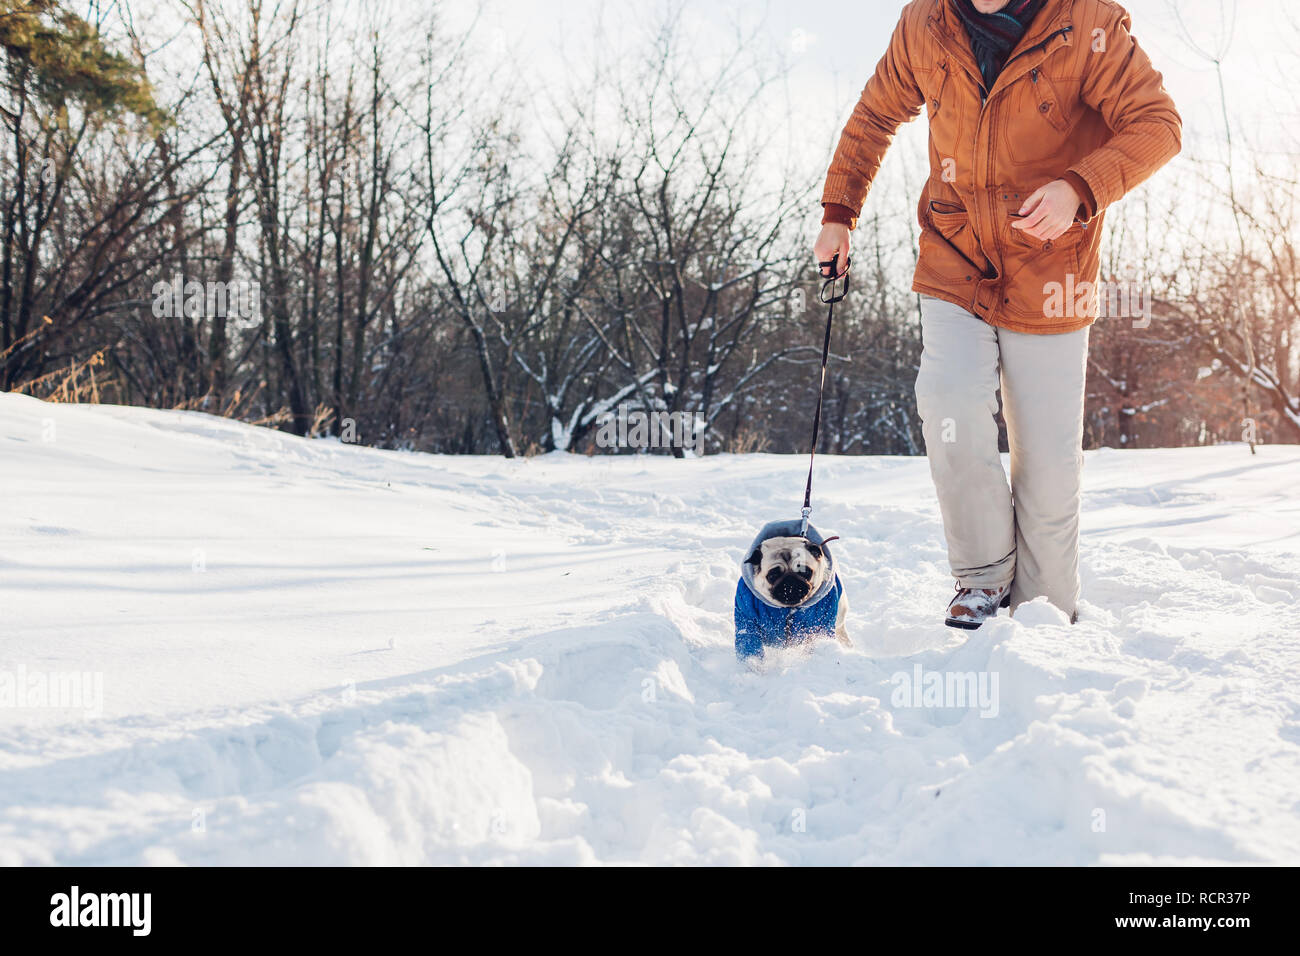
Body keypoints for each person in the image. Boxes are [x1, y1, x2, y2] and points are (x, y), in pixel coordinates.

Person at [813, 0, 1180, 629]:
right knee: (950, 402)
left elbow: (1158, 124)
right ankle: (982, 580)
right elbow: (875, 114)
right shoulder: (925, 23)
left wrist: (1080, 188)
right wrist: (838, 213)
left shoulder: (1085, 20)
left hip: (1051, 268)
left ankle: (1043, 608)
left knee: (1047, 461)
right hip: (955, 257)